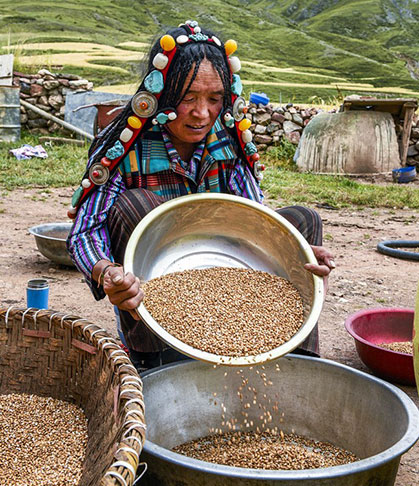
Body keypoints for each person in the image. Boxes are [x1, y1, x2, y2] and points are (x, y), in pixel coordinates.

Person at [67, 21, 336, 373]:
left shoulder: (228, 142)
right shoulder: (125, 147)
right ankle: (151, 358)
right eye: (188, 98)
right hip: (153, 287)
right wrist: (107, 272)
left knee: (303, 222)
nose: (202, 113)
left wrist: (294, 251)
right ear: (161, 93)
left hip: (224, 276)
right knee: (138, 206)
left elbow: (256, 219)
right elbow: (86, 232)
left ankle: (294, 359)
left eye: (214, 99)